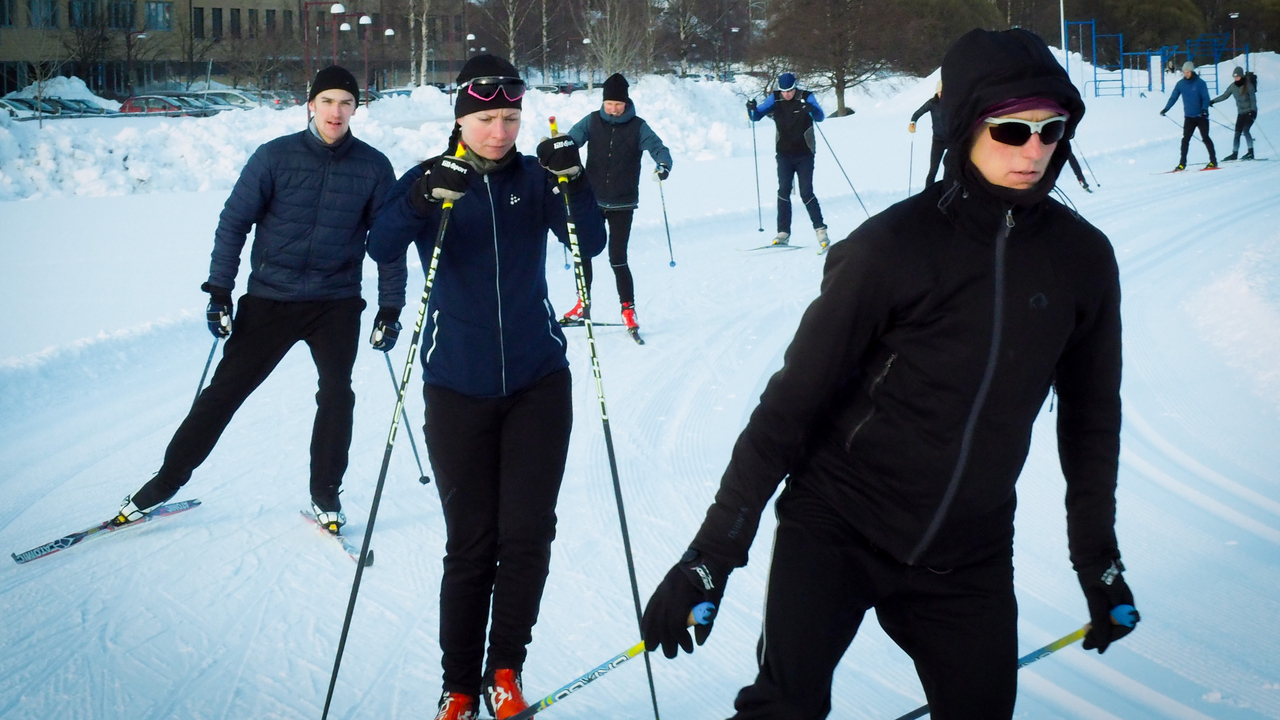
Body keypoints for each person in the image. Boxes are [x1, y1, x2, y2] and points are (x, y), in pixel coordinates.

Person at [641, 28, 1139, 720]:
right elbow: (790, 406)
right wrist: (712, 553)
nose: (1034, 150)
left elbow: (1091, 421)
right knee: (784, 708)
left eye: (1052, 131)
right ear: (965, 124)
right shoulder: (891, 248)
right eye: (1012, 130)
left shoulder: (1083, 259)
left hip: (969, 552)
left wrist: (1099, 560)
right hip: (838, 525)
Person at [366, 55, 606, 720]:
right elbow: (381, 244)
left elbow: (590, 243)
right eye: (485, 119)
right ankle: (459, 686)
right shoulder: (432, 179)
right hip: (457, 387)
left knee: (527, 535)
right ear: (461, 120)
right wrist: (421, 198)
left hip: (537, 382)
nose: (499, 131)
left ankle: (505, 670)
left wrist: (576, 183)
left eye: (509, 118)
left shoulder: (536, 177)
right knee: (471, 543)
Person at [114, 65, 406, 533]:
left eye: (346, 103)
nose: (336, 112)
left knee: (337, 394)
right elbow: (234, 223)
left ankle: (325, 493)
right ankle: (164, 483)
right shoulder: (274, 157)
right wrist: (219, 290)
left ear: (356, 109)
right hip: (272, 298)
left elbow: (390, 242)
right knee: (224, 393)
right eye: (328, 101)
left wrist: (390, 308)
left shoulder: (373, 167)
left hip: (335, 301)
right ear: (311, 104)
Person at [560, 72, 673, 337]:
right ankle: (582, 303)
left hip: (623, 202)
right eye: (609, 103)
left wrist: (663, 165)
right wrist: (558, 152)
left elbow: (659, 149)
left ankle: (627, 308)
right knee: (584, 252)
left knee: (617, 258)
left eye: (618, 104)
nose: (613, 109)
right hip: (593, 198)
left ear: (626, 102)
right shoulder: (592, 121)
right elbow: (571, 141)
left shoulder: (638, 126)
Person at [747, 72, 829, 248]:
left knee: (806, 192)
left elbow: (820, 117)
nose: (787, 95)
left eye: (790, 91)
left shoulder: (806, 97)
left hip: (805, 153)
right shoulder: (775, 99)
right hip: (784, 154)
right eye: (783, 91)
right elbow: (756, 117)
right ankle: (783, 232)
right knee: (783, 191)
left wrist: (811, 109)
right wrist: (751, 108)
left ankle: (821, 231)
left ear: (795, 87)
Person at [1161, 61, 1217, 171]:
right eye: (1184, 72)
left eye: (1187, 72)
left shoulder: (1200, 83)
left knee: (1205, 138)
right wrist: (1166, 109)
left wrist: (1204, 110)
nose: (1186, 74)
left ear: (1192, 71)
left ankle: (1213, 161)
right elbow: (1173, 97)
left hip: (1201, 116)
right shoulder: (1180, 84)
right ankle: (1182, 164)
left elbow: (1206, 98)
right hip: (1189, 117)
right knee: (1185, 139)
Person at [1210, 66, 1258, 161]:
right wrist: (1213, 101)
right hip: (1241, 113)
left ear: (1241, 76)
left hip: (1250, 112)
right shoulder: (1233, 86)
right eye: (1234, 77)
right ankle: (1234, 153)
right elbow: (1225, 95)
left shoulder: (1248, 85)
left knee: (1246, 130)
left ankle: (1251, 152)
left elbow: (1253, 99)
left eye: (1237, 77)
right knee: (1237, 133)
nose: (1236, 78)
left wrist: (1252, 111)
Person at [909, 80, 946, 186]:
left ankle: (947, 191)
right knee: (933, 169)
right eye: (940, 92)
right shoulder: (932, 103)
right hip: (938, 140)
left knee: (950, 168)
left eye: (944, 92)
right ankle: (927, 192)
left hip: (951, 139)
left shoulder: (952, 103)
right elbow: (917, 113)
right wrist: (913, 123)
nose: (942, 95)